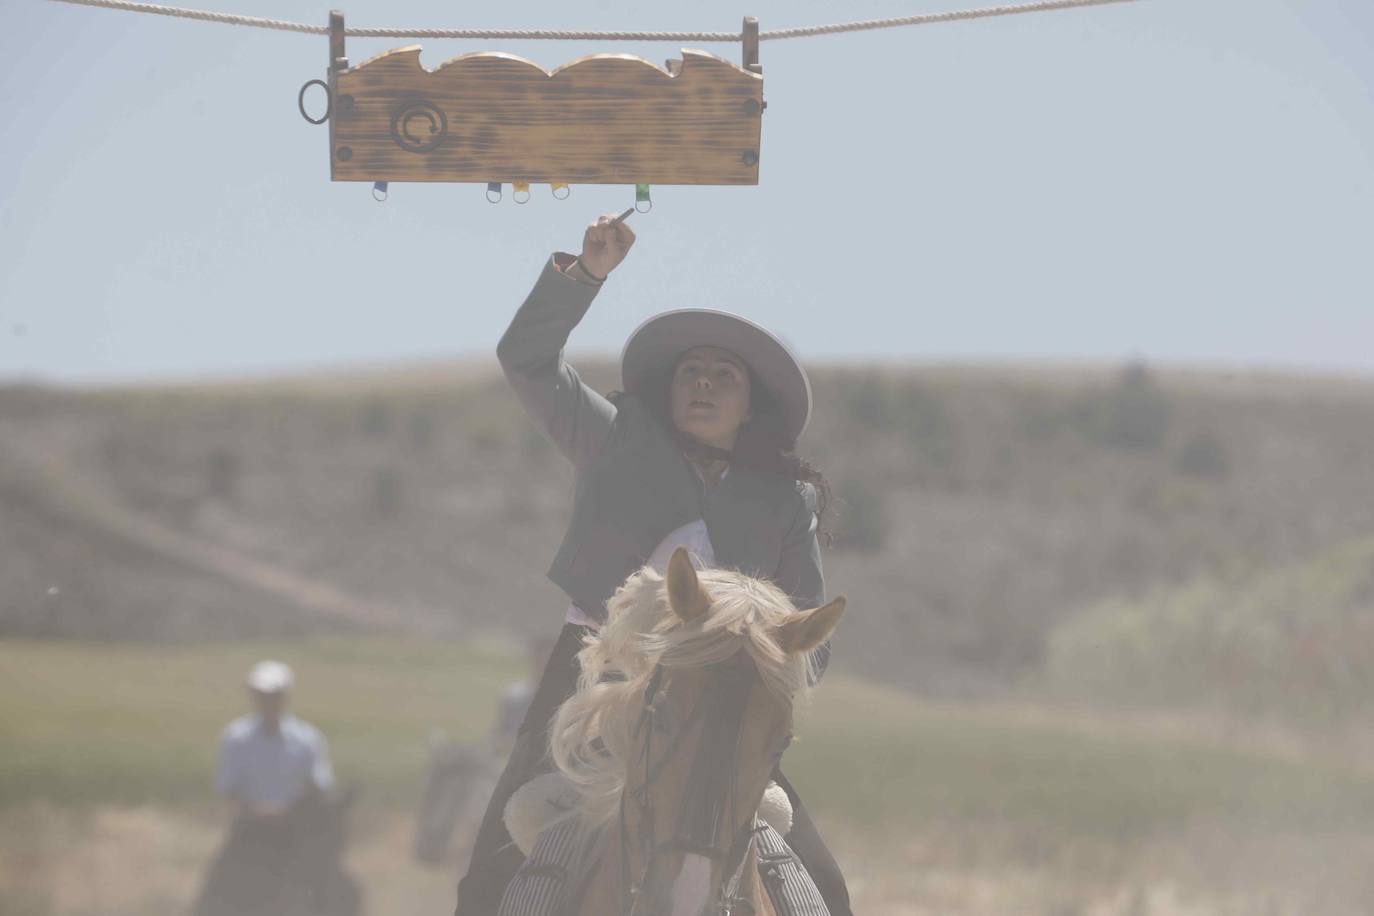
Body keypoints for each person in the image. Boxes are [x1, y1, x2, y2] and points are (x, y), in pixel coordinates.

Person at [453, 214, 852, 915]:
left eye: (724, 375)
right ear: (668, 387)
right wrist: (587, 273)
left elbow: (810, 650)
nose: (704, 384)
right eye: (691, 372)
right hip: (591, 683)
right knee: (486, 884)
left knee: (826, 888)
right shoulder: (613, 440)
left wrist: (756, 658)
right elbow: (526, 358)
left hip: (724, 697)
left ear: (750, 399)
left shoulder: (785, 501)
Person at [195, 660, 338, 916]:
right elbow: (228, 789)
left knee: (327, 889)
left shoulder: (307, 739)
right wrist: (256, 812)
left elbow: (320, 786)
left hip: (295, 833)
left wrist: (295, 811)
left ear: (285, 697)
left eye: (274, 696)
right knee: (218, 894)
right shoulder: (236, 738)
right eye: (262, 696)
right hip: (249, 832)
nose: (268, 702)